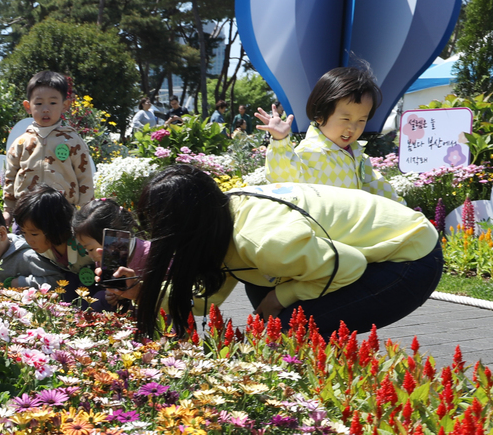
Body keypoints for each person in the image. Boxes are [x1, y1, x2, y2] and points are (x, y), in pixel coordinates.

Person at [129, 164, 441, 339]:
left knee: (287, 326)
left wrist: (281, 296)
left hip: (410, 256)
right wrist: (140, 291)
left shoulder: (262, 242)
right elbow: (207, 300)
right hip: (349, 253)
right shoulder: (221, 218)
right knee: (272, 311)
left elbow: (351, 265)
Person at [256, 67, 402, 202]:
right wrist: (280, 141)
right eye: (346, 119)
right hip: (322, 226)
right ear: (320, 116)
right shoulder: (310, 152)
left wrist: (403, 210)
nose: (352, 127)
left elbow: (374, 186)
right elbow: (283, 179)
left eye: (361, 120)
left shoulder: (357, 153)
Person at [1, 70, 95, 214]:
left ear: (65, 105)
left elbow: (85, 177)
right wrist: (8, 208)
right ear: (28, 106)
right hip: (27, 210)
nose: (45, 109)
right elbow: (10, 175)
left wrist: (85, 210)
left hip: (63, 210)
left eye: (52, 102)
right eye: (38, 103)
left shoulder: (72, 141)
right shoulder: (21, 143)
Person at [73, 197, 148, 311]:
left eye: (91, 249)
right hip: (127, 308)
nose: (89, 254)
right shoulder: (103, 258)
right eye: (86, 250)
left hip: (153, 308)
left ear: (114, 237)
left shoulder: (148, 255)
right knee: (99, 299)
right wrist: (113, 294)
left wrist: (138, 291)